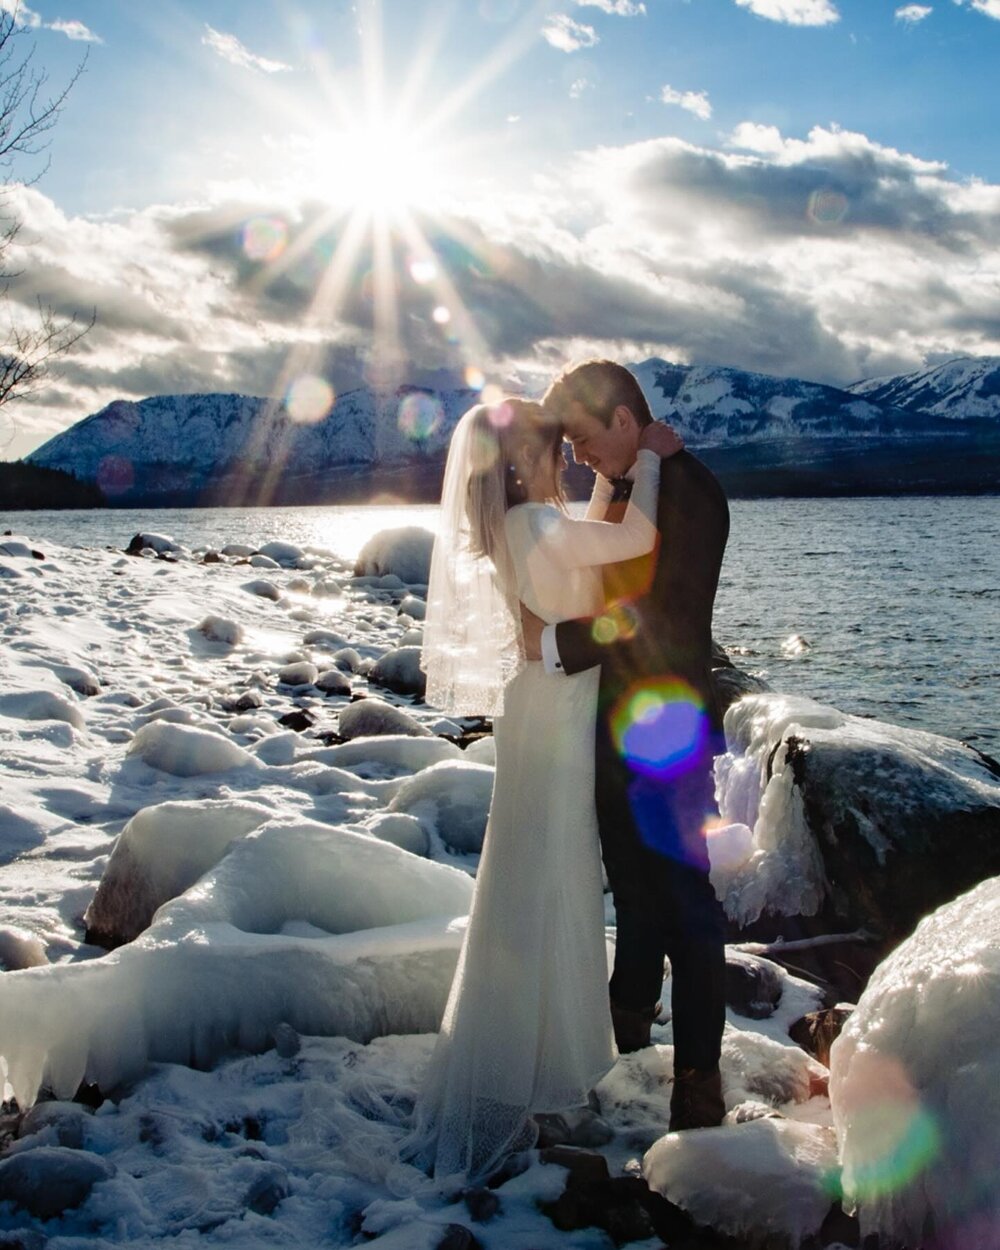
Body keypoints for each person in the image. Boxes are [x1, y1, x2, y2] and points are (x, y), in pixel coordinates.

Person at [413, 396, 683, 1182]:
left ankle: (535, 1050)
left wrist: (616, 483)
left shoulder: (523, 525)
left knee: (532, 860)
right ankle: (538, 1060)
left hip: (537, 705)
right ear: (525, 460)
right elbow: (632, 540)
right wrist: (654, 461)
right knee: (553, 866)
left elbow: (588, 551)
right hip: (560, 713)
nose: (567, 459)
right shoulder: (541, 525)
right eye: (556, 449)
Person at [522, 359, 730, 1133]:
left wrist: (553, 646)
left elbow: (650, 615)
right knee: (635, 897)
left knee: (687, 901)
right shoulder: (633, 486)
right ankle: (629, 1043)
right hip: (610, 728)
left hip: (669, 731)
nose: (575, 458)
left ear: (620, 421)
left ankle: (700, 1083)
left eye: (581, 440)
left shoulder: (693, 492)